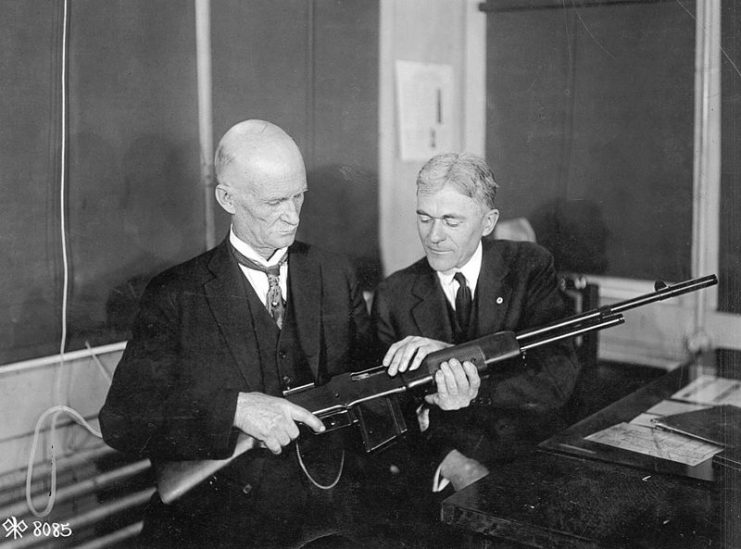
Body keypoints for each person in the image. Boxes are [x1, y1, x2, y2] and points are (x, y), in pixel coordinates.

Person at [100, 120, 386, 548]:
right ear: (227, 198)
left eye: (299, 196)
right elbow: (122, 419)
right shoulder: (175, 293)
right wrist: (233, 409)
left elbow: (371, 378)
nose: (292, 216)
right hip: (223, 526)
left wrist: (421, 366)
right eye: (274, 201)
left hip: (326, 517)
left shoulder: (335, 272)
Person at [372, 152, 579, 495]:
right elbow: (384, 415)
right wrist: (454, 464)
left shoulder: (528, 267)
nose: (433, 236)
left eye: (451, 221)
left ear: (487, 222)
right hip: (443, 468)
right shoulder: (394, 294)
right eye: (424, 218)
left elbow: (557, 377)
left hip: (528, 457)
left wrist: (463, 374)